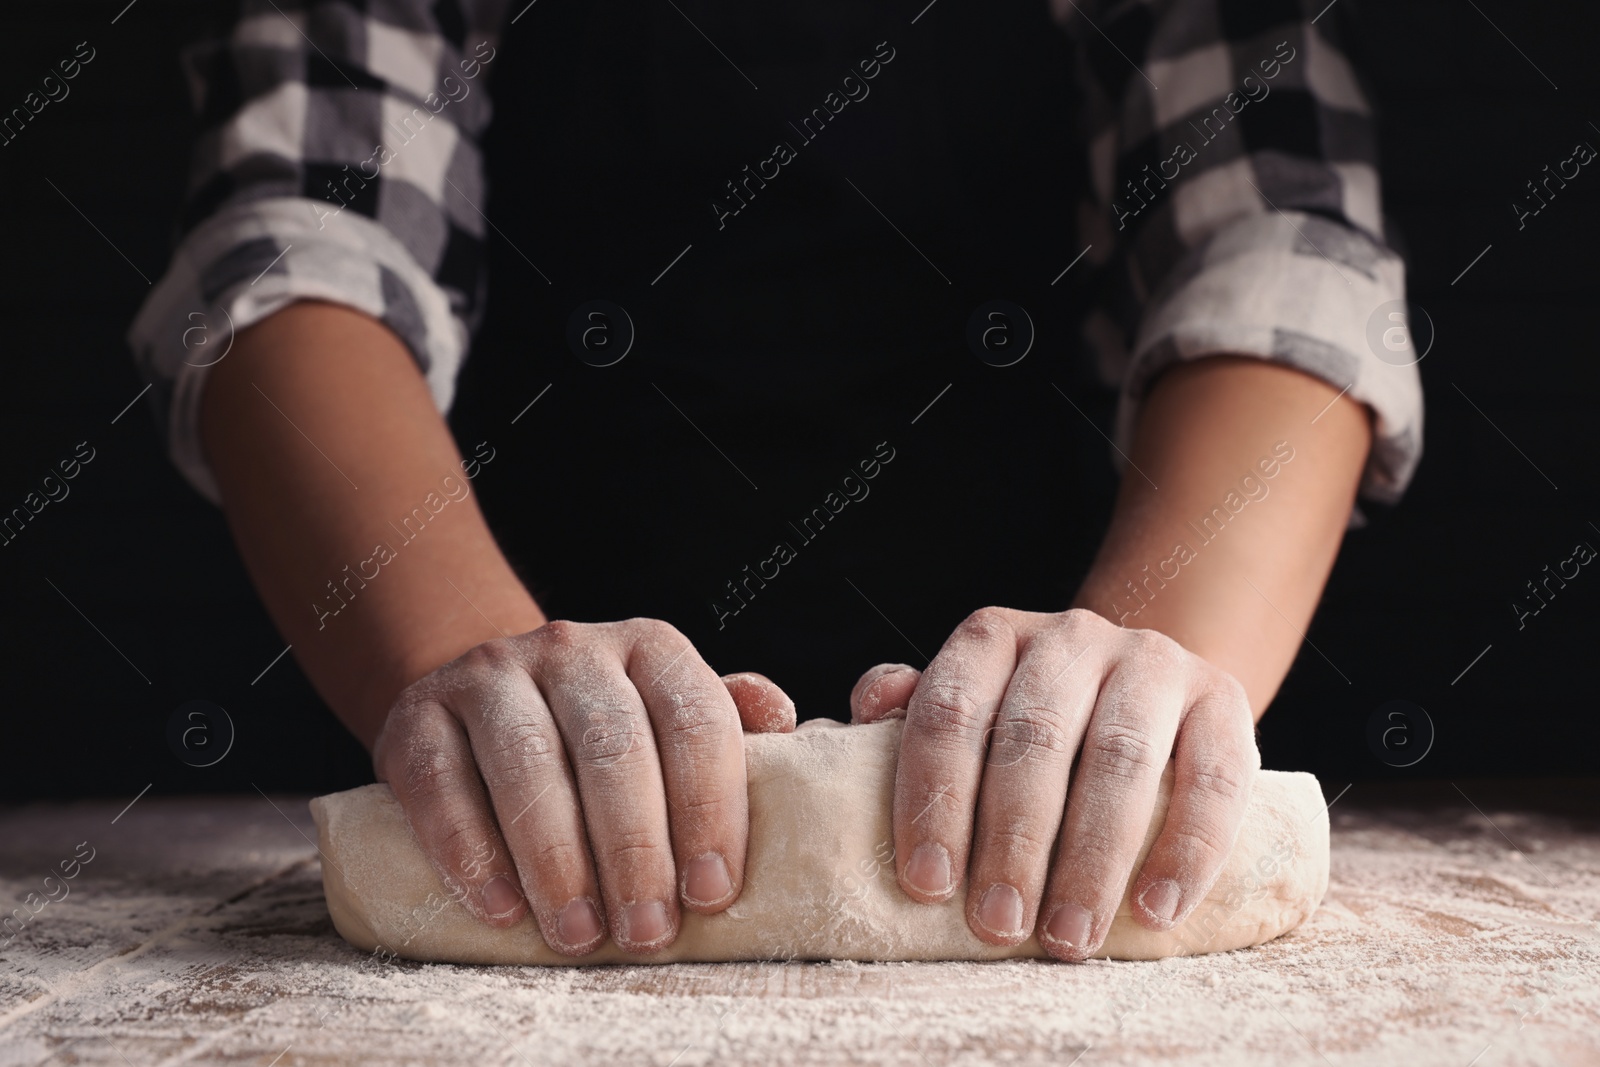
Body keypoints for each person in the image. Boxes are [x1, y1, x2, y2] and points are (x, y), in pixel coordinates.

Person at [128, 0, 1421, 961]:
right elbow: (298, 245)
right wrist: (472, 680)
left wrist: (1147, 673)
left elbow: (1285, 243)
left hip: (1030, 633)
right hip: (494, 647)